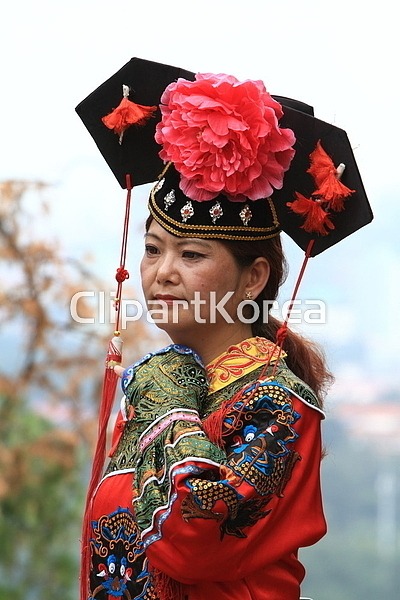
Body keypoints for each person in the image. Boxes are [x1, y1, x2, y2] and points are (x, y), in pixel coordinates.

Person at [76, 58, 372, 600]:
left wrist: (169, 411)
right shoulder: (164, 380)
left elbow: (194, 543)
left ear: (252, 277)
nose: (162, 272)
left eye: (190, 254)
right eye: (152, 250)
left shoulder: (277, 404)